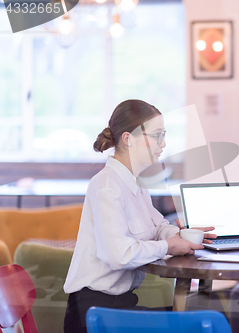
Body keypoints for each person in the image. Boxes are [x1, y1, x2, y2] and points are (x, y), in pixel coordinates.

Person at [63, 100, 216, 333]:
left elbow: (157, 226)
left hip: (119, 306)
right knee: (200, 322)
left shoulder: (136, 185)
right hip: (94, 311)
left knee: (200, 313)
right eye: (157, 135)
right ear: (128, 138)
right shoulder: (106, 186)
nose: (163, 143)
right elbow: (119, 255)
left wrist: (181, 235)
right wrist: (168, 246)